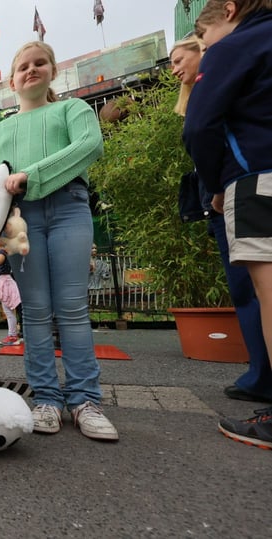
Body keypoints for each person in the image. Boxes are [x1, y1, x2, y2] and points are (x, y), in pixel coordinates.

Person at [0, 41, 118, 441]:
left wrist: (30, 173)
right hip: (19, 219)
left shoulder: (72, 109)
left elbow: (90, 146)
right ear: (12, 80)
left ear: (53, 70)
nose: (31, 70)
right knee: (34, 309)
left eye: (40, 64)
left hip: (70, 207)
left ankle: (86, 400)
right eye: (23, 67)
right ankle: (47, 400)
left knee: (71, 307)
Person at [183, 0, 272, 449]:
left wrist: (215, 183)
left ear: (230, 11)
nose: (204, 47)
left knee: (269, 288)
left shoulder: (236, 45)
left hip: (258, 176)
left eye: (202, 38)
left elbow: (200, 125)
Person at [0, 238, 22, 346]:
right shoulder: (5, 251)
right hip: (4, 281)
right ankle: (13, 335)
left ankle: (12, 336)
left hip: (5, 282)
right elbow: (0, 263)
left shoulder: (1, 250)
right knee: (10, 311)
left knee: (8, 311)